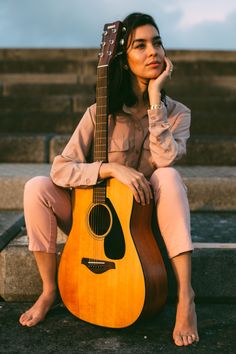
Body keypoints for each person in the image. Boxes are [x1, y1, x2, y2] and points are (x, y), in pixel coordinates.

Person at [19, 12, 199, 346]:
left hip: (143, 228)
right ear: (124, 59)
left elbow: (164, 159)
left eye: (157, 43)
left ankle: (186, 297)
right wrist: (109, 169)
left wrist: (156, 100)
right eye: (140, 46)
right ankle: (49, 290)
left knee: (169, 176)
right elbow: (60, 168)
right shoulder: (98, 113)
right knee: (36, 188)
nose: (153, 53)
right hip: (95, 226)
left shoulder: (178, 114)